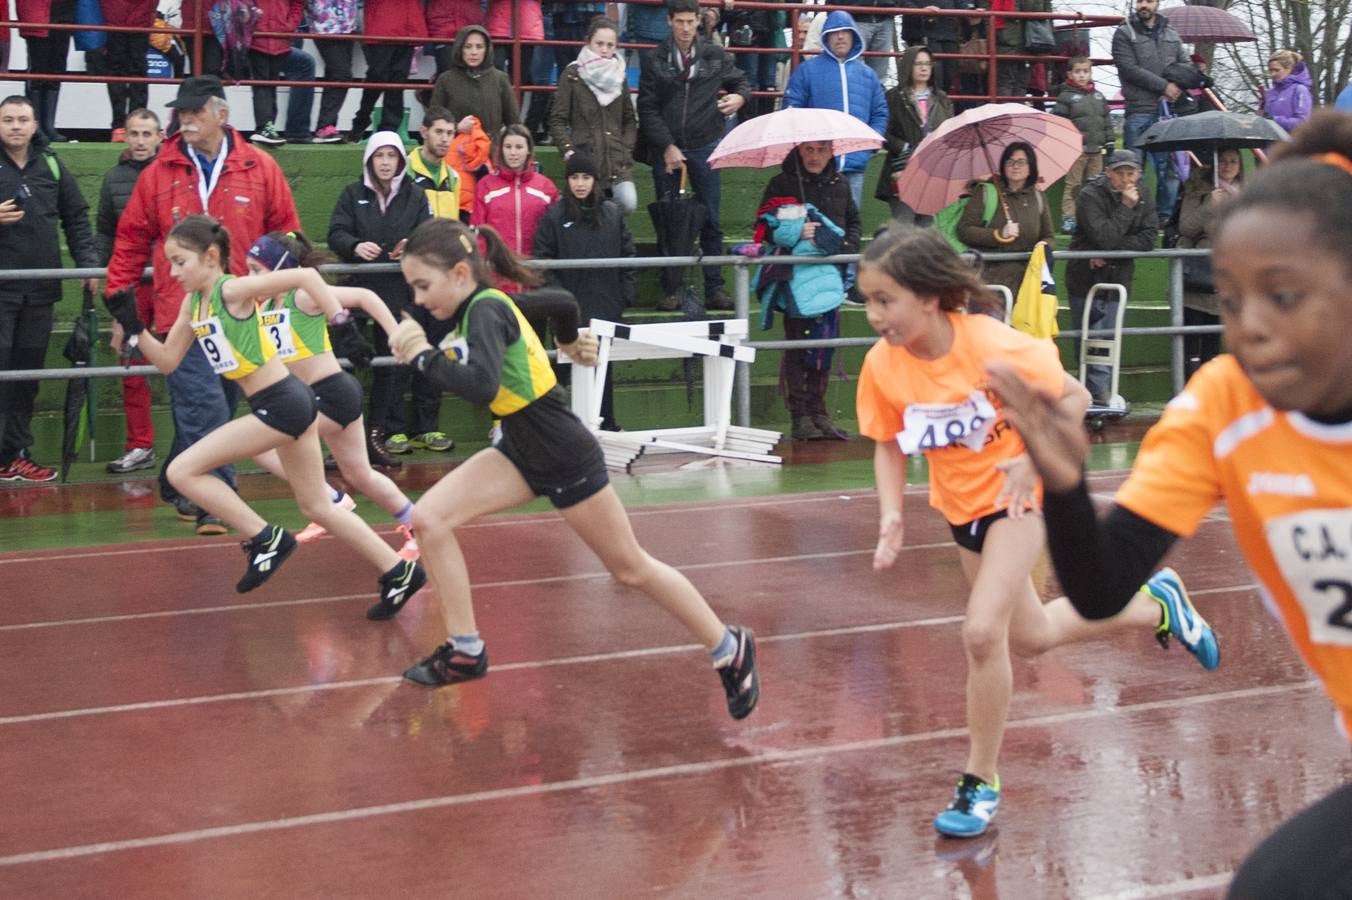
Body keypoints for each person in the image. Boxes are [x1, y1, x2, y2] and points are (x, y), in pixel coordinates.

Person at [983, 109, 1352, 897]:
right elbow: (1103, 587)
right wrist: (1067, 488)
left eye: (1283, 295)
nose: (1249, 327)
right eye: (1229, 299)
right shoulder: (1223, 404)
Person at [855, 225, 1218, 839]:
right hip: (961, 510)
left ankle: (979, 781)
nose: (873, 316)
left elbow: (1075, 399)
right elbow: (888, 444)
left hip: (1022, 501)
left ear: (928, 295)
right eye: (866, 300)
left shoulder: (995, 348)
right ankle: (1153, 605)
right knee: (1031, 636)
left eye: (884, 300)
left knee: (980, 632)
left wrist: (1030, 459)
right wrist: (891, 512)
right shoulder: (883, 367)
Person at [386, 217, 760, 721]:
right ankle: (465, 648)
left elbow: (481, 385)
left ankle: (728, 645)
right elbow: (561, 301)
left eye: (422, 285)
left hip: (558, 446)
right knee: (429, 519)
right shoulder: (493, 304)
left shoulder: (483, 312)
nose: (418, 298)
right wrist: (565, 341)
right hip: (521, 443)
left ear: (458, 273)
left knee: (629, 567)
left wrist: (423, 357)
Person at [105, 216, 427, 617]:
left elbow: (307, 278)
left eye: (179, 261)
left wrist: (341, 324)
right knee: (318, 507)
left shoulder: (235, 290)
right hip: (287, 403)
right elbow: (169, 362)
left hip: (284, 402)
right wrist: (136, 329)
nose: (172, 272)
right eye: (168, 263)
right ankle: (399, 572)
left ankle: (265, 538)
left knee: (182, 471)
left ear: (210, 257)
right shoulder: (194, 303)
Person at [108, 75, 301, 534]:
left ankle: (179, 482)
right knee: (206, 407)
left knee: (219, 404)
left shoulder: (259, 166)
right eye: (182, 112)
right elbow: (132, 237)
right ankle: (219, 496)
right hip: (182, 313)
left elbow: (287, 233)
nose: (187, 120)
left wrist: (278, 291)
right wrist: (120, 296)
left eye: (196, 112)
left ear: (222, 114)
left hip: (240, 315)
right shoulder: (160, 170)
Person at [242, 231, 419, 560]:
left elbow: (365, 296)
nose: (250, 278)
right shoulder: (264, 304)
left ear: (282, 268)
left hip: (331, 392)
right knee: (359, 474)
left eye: (256, 270)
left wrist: (395, 335)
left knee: (261, 443)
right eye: (248, 269)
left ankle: (331, 501)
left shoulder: (303, 296)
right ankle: (416, 524)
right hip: (319, 397)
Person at [0, 94, 99, 482]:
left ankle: (16, 453)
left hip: (40, 293)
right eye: (8, 119)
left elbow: (76, 217)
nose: (15, 126)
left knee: (26, 376)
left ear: (35, 123)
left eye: (22, 119)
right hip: (1, 293)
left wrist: (89, 265)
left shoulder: (53, 165)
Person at [327, 130, 434, 468]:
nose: (385, 163)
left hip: (396, 291)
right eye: (379, 156)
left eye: (391, 156)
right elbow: (336, 233)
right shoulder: (350, 193)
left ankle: (376, 435)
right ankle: (343, 439)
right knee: (346, 365)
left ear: (401, 161)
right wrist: (354, 246)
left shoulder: (415, 196)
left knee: (390, 367)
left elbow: (427, 232)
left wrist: (410, 245)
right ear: (369, 160)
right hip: (356, 288)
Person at [637, 0, 749, 312]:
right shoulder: (655, 58)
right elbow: (646, 108)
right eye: (680, 22)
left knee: (711, 219)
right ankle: (670, 289)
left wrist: (740, 97)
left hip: (706, 145)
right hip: (668, 149)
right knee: (669, 219)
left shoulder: (714, 54)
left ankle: (714, 286)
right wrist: (667, 146)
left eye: (691, 21)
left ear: (699, 21)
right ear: (669, 21)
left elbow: (741, 81)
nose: (686, 28)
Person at [754, 140, 859, 441]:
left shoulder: (841, 184)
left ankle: (820, 413)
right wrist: (795, 232)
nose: (815, 156)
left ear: (832, 152)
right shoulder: (781, 183)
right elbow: (764, 228)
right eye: (809, 149)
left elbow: (853, 222)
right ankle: (799, 415)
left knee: (824, 346)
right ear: (799, 150)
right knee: (798, 347)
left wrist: (843, 247)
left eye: (821, 150)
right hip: (794, 278)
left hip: (830, 278)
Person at [531, 151, 635, 431]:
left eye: (586, 177)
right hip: (569, 311)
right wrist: (560, 301)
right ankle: (545, 428)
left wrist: (623, 297)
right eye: (575, 177)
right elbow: (542, 261)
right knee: (561, 370)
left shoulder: (612, 214)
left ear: (595, 180)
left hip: (605, 305)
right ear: (567, 181)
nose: (580, 183)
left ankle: (608, 424)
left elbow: (629, 257)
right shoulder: (554, 216)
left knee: (604, 367)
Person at [97, 109, 163, 475]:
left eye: (146, 134)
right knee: (132, 367)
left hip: (172, 289)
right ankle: (140, 446)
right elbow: (105, 233)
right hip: (133, 289)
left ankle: (199, 447)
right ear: (125, 136)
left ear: (159, 137)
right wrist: (101, 277)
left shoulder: (173, 175)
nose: (139, 140)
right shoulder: (113, 179)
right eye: (134, 133)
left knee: (188, 368)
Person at [1066, 149, 1158, 407]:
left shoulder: (1144, 194)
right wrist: (1126, 207)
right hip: (1085, 278)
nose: (1126, 180)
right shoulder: (1089, 195)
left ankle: (1101, 393)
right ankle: (1091, 394)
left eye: (1131, 173)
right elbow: (1103, 236)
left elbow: (1149, 237)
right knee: (1088, 338)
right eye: (1120, 173)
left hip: (1119, 278)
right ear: (1109, 173)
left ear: (1139, 174)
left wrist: (1110, 255)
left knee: (1109, 337)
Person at [781, 10, 888, 218]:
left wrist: (869, 146)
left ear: (854, 35)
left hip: (855, 164)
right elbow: (791, 110)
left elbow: (880, 113)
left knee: (850, 223)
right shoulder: (807, 70)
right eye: (835, 32)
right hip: (816, 164)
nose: (840, 37)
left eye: (845, 32)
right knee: (815, 224)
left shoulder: (868, 75)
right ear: (826, 36)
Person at [549, 16, 639, 215]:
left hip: (616, 158)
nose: (605, 49)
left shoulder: (619, 74)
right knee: (587, 210)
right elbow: (557, 119)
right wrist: (568, 150)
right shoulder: (572, 74)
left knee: (628, 202)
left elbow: (629, 119)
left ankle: (607, 233)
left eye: (610, 45)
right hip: (585, 157)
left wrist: (626, 147)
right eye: (599, 43)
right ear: (588, 42)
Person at [1112, 0, 1187, 224]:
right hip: (1139, 110)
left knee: (1170, 170)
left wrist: (1177, 85)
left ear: (1157, 3)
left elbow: (1184, 64)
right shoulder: (1124, 33)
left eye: (1149, 0)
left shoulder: (1172, 34)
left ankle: (1165, 219)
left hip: (1167, 112)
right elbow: (1129, 69)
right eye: (1139, 1)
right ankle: (1135, 217)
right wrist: (1164, 87)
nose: (1143, 4)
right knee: (1133, 170)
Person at [1173, 148, 1242, 377]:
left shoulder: (1244, 195)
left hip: (1227, 280)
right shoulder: (1198, 190)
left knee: (1213, 346)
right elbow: (1187, 227)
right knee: (1191, 343)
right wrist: (1209, 206)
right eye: (1223, 161)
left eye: (1233, 161)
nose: (1228, 166)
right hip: (1198, 277)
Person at [957, 142, 1054, 303]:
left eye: (1021, 162)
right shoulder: (986, 192)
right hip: (991, 285)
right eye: (1010, 162)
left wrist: (1043, 246)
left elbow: (1049, 236)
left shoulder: (1038, 197)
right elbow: (965, 230)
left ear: (1031, 167)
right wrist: (998, 234)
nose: (1015, 166)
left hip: (1027, 285)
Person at [474, 124, 558, 288]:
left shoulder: (546, 188)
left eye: (519, 147)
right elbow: (479, 233)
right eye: (508, 146)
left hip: (534, 278)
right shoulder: (486, 186)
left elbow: (553, 235)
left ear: (528, 150)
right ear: (501, 150)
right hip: (498, 277)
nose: (513, 153)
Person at [876, 46, 952, 227]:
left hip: (931, 173)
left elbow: (949, 132)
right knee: (904, 229)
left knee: (927, 230)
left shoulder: (942, 99)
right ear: (909, 66)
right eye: (918, 64)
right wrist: (902, 147)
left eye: (927, 64)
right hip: (902, 171)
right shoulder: (894, 97)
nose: (924, 68)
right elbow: (883, 131)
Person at [347, 0, 426, 142]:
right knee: (378, 75)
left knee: (398, 80)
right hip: (383, 22)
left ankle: (388, 129)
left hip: (406, 24)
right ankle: (363, 119)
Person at [1051, 56, 1113, 235]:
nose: (1082, 75)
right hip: (1076, 152)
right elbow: (1060, 123)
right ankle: (1069, 219)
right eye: (1078, 72)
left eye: (1085, 71)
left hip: (1096, 151)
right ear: (1070, 74)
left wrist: (1109, 142)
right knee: (1073, 185)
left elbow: (1106, 121)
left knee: (1096, 186)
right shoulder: (1066, 97)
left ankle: (1092, 218)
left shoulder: (1099, 96)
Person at [429, 25, 519, 148]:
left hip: (490, 153)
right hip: (455, 153)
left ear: (487, 50)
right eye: (468, 46)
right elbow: (433, 120)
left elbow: (514, 122)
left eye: (479, 47)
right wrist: (457, 127)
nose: (474, 52)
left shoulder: (500, 79)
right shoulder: (445, 79)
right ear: (460, 49)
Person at [94, 0, 155, 141]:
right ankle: (120, 126)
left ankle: (138, 125)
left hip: (139, 19)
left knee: (137, 72)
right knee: (118, 73)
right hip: (116, 19)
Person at [245, 0, 305, 146]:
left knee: (270, 84)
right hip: (258, 39)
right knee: (263, 85)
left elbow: (298, 4)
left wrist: (289, 26)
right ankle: (265, 127)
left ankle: (267, 128)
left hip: (279, 39)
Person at [17, 0, 72, 141]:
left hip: (64, 14)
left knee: (57, 69)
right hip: (37, 13)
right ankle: (35, 126)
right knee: (38, 68)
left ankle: (49, 125)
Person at [306, 0, 358, 142]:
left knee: (335, 76)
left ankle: (325, 127)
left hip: (347, 24)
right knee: (342, 75)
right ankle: (325, 126)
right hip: (325, 25)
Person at [406, 106, 461, 220]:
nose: (445, 139)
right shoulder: (404, 170)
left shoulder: (453, 178)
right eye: (439, 131)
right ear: (424, 132)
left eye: (449, 133)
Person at [992, 0, 1051, 103]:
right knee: (1010, 82)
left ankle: (1010, 115)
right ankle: (1008, 115)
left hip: (1020, 40)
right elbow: (1037, 10)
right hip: (1019, 40)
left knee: (1014, 82)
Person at [1264, 49, 1314, 134]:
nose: (1273, 74)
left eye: (1276, 70)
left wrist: (1274, 120)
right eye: (1270, 70)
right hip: (1269, 145)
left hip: (1291, 144)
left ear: (1290, 69)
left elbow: (1302, 123)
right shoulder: (1269, 93)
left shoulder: (1300, 90)